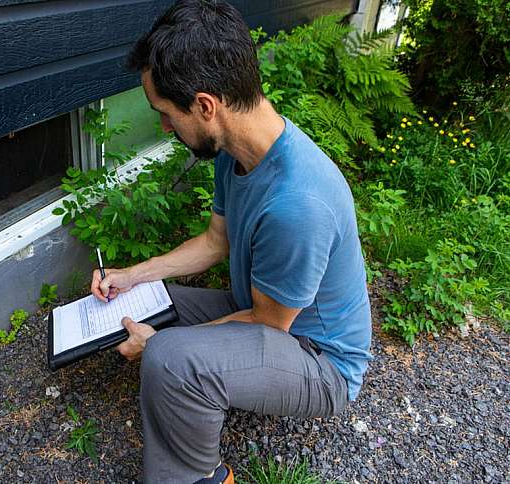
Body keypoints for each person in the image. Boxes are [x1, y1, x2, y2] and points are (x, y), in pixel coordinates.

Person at [89, 1, 372, 483]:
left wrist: (164, 344)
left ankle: (200, 478)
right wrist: (130, 276)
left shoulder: (297, 204)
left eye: (164, 113)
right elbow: (215, 242)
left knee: (170, 358)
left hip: (319, 362)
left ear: (204, 106)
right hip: (267, 314)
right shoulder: (234, 150)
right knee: (145, 299)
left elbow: (270, 323)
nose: (163, 127)